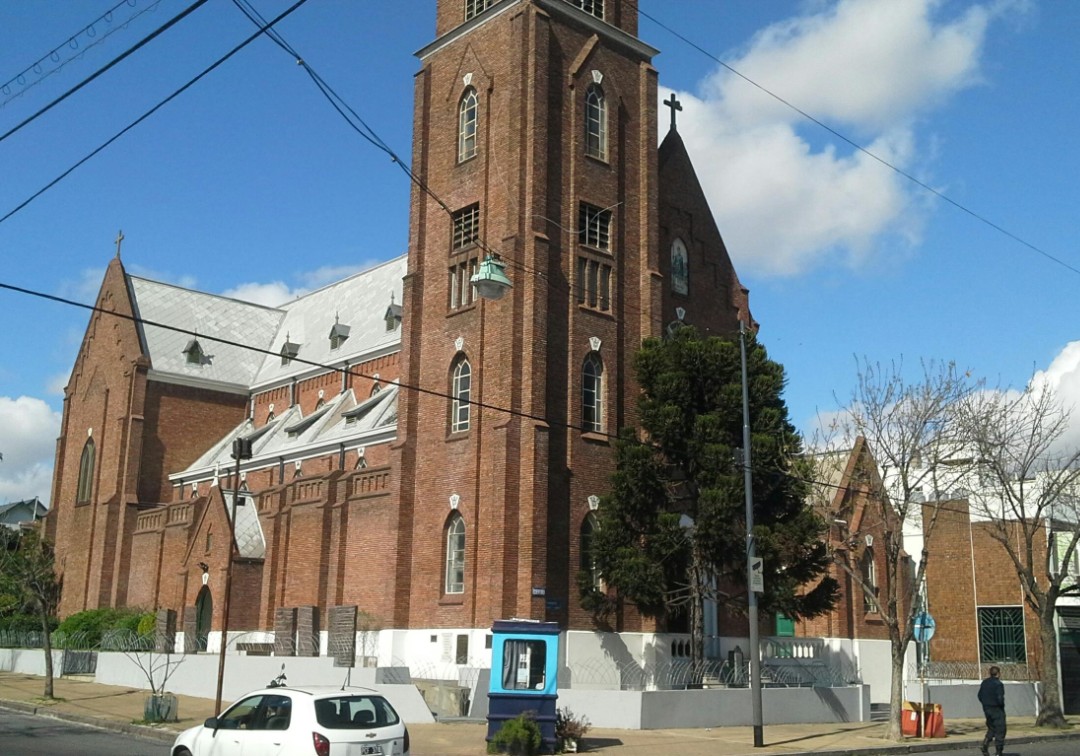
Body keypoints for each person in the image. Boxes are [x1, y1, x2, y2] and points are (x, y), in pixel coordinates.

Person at [978, 665, 1006, 756]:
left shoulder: (984, 682)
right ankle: (998, 751)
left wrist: (985, 704)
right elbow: (1000, 698)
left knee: (992, 728)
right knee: (1000, 729)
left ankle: (985, 745)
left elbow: (979, 695)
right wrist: (1001, 705)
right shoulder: (998, 684)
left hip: (987, 709)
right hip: (996, 709)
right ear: (998, 673)